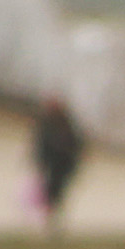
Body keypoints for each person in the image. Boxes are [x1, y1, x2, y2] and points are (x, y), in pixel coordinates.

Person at [29, 92, 87, 232]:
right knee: (50, 193)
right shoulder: (47, 123)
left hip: (63, 164)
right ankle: (48, 220)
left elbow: (77, 142)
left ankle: (51, 220)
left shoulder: (66, 122)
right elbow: (41, 145)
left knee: (57, 193)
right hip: (52, 164)